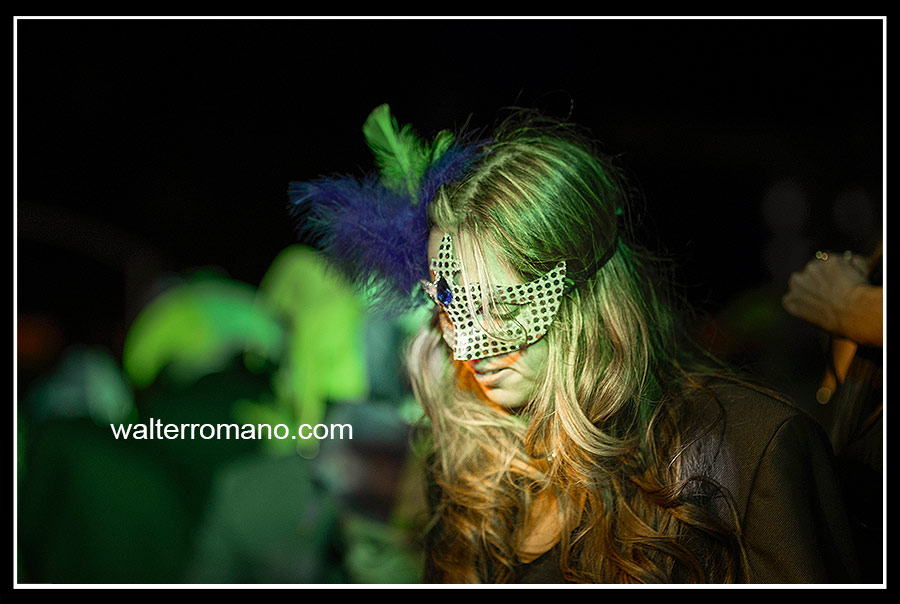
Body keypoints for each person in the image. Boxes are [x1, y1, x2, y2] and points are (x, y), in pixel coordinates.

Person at [290, 105, 860, 584]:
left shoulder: (751, 449)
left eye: (506, 308)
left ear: (588, 297)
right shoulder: (466, 462)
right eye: (446, 306)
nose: (467, 348)